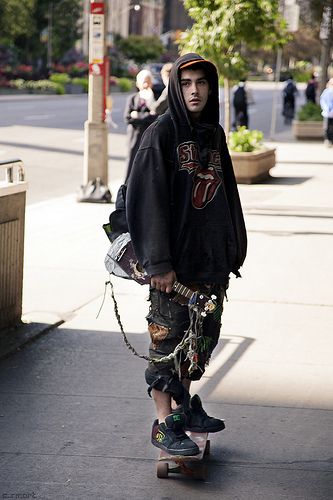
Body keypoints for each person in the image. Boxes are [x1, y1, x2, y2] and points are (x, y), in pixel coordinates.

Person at [126, 53, 247, 456]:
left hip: (211, 264)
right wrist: (157, 262)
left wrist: (234, 249)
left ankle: (184, 411)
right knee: (167, 344)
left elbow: (228, 194)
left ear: (210, 88)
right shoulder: (161, 134)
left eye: (201, 83)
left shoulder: (213, 134)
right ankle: (164, 425)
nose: (194, 91)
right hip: (172, 270)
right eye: (185, 83)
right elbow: (146, 202)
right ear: (175, 89)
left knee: (199, 344)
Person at [124, 69, 157, 182]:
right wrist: (147, 116)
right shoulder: (132, 99)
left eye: (148, 81)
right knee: (131, 163)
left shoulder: (154, 99)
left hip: (149, 138)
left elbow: (156, 117)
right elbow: (128, 118)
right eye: (143, 82)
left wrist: (138, 115)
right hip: (134, 138)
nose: (145, 84)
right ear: (138, 84)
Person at [320, 77, 333, 147]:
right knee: (327, 127)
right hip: (327, 113)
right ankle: (328, 140)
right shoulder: (326, 92)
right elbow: (323, 101)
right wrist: (326, 109)